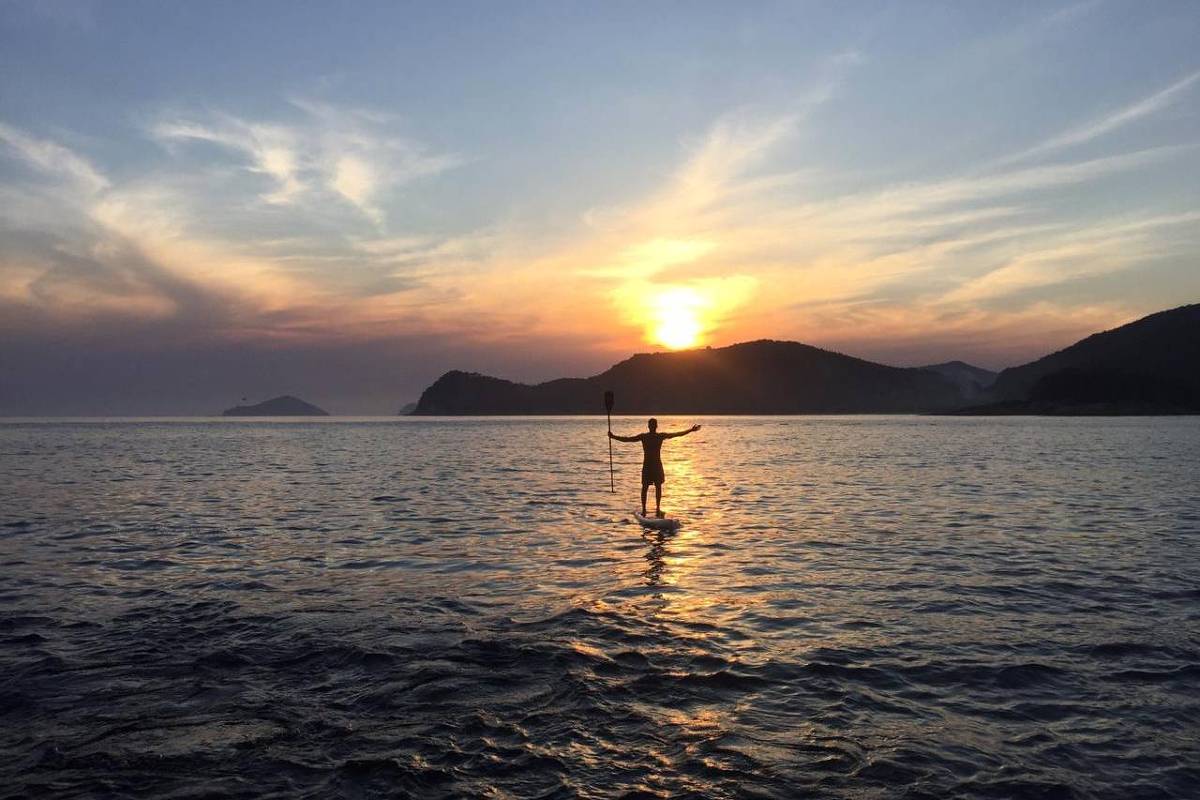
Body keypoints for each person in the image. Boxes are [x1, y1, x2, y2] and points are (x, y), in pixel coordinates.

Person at [609, 418, 701, 517]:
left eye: (653, 425)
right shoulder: (646, 437)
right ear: (649, 426)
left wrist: (690, 430)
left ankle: (656, 508)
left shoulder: (658, 436)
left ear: (655, 426)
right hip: (649, 465)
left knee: (656, 486)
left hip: (655, 465)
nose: (652, 426)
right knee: (646, 487)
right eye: (651, 425)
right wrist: (613, 437)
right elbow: (628, 439)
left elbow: (677, 434)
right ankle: (645, 509)